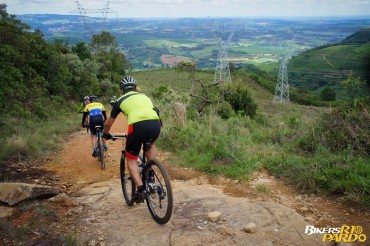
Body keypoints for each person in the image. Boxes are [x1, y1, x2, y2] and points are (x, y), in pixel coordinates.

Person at [102, 76, 161, 203]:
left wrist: (105, 134)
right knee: (150, 145)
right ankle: (151, 175)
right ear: (135, 88)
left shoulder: (119, 100)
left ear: (122, 90)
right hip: (155, 124)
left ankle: (141, 190)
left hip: (137, 126)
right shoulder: (145, 96)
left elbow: (108, 123)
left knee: (131, 159)